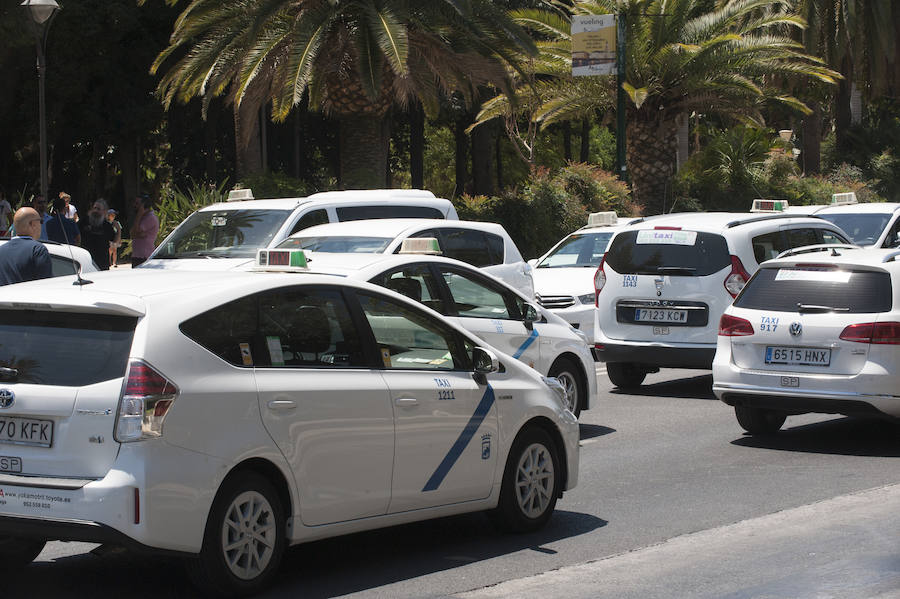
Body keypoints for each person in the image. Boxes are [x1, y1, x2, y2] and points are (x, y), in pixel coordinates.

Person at [0, 207, 52, 286]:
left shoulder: (1, 250)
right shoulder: (37, 250)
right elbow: (45, 284)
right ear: (32, 224)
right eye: (40, 221)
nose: (41, 225)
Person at [79, 200, 115, 270]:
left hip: (102, 263)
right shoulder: (83, 222)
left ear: (104, 211)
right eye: (94, 208)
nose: (95, 211)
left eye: (98, 209)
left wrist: (119, 230)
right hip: (86, 261)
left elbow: (113, 239)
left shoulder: (107, 225)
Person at [130, 192, 159, 267]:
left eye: (137, 203)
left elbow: (135, 231)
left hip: (144, 257)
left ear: (144, 205)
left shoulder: (150, 218)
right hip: (136, 256)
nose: (134, 205)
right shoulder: (142, 218)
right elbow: (132, 234)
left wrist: (139, 214)